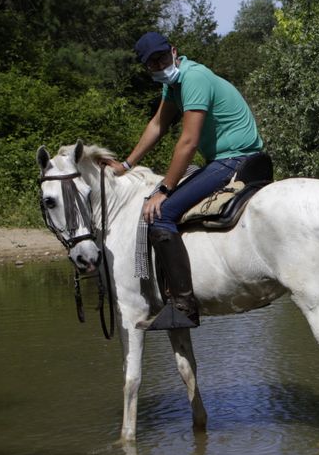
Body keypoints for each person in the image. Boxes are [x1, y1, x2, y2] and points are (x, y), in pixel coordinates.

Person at [108, 31, 267, 328]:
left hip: (234, 159)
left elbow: (188, 141)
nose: (159, 65)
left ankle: (183, 306)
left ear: (173, 51)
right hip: (225, 159)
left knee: (162, 215)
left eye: (162, 58)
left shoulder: (193, 78)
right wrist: (127, 164)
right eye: (152, 63)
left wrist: (165, 189)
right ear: (146, 68)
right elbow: (157, 125)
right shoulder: (174, 86)